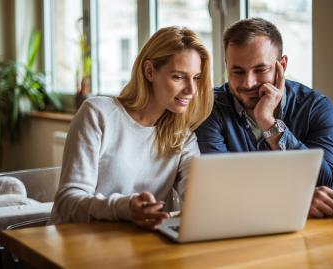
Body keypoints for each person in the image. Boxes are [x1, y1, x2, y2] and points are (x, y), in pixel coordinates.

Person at [50, 27, 213, 229]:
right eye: (179, 77)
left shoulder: (183, 137)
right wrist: (125, 207)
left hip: (137, 247)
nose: (192, 90)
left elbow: (197, 198)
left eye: (196, 77)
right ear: (149, 71)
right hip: (76, 243)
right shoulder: (98, 114)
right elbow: (67, 202)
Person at [195, 18, 333, 218]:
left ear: (281, 65)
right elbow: (220, 187)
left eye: (260, 70)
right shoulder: (210, 107)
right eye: (238, 71)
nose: (248, 83)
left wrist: (268, 121)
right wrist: (295, 199)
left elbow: (329, 183)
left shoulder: (315, 107)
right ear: (227, 65)